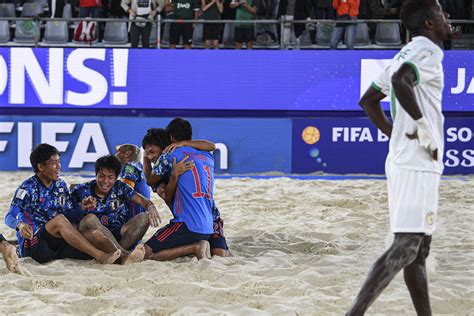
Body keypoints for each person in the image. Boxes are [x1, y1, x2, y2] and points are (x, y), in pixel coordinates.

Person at [347, 1, 452, 314]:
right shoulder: (428, 51)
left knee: (417, 251)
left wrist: (394, 133)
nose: (447, 18)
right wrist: (424, 129)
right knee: (407, 245)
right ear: (429, 24)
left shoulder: (403, 53)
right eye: (441, 14)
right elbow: (399, 81)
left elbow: (369, 99)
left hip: (408, 159)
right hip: (417, 163)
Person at [5, 144, 121, 265]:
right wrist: (20, 225)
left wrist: (81, 208)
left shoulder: (61, 185)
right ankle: (101, 256)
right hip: (35, 245)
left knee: (94, 234)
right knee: (59, 220)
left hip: (57, 243)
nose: (59, 166)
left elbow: (68, 217)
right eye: (54, 163)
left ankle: (123, 257)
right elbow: (9, 216)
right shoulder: (27, 188)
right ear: (40, 166)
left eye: (59, 162)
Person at [71, 155, 161, 264]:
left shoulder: (120, 187)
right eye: (101, 176)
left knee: (144, 218)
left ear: (116, 177)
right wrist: (81, 207)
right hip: (94, 236)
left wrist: (151, 207)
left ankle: (114, 253)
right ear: (96, 175)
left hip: (119, 235)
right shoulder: (81, 190)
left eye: (110, 177)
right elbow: (68, 214)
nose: (105, 181)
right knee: (90, 219)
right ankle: (123, 255)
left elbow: (143, 201)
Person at [141, 128, 215, 261]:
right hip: (209, 226)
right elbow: (211, 145)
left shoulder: (167, 158)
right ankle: (195, 246)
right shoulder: (204, 156)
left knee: (145, 253)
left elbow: (150, 180)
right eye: (147, 154)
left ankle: (195, 248)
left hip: (186, 226)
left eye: (152, 152)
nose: (151, 157)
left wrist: (174, 174)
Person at [165, 118, 228, 257]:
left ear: (171, 138)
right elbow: (212, 146)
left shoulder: (172, 155)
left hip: (196, 221)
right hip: (212, 216)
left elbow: (157, 183)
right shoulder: (207, 155)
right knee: (221, 256)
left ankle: (195, 246)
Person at [115, 143, 151, 217]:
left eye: (118, 151)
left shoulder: (129, 167)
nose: (116, 154)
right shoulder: (137, 167)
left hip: (134, 214)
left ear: (127, 153)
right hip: (140, 212)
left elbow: (124, 190)